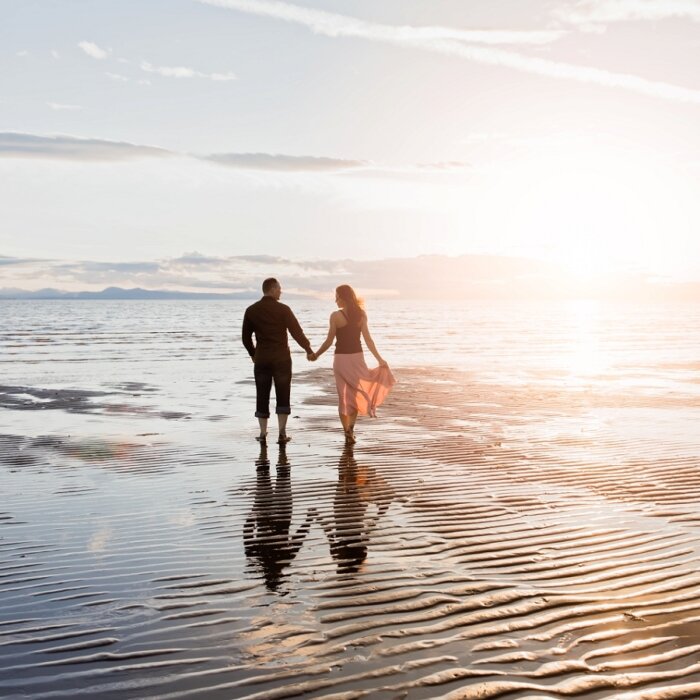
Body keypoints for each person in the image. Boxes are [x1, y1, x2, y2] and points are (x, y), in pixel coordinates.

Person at [311, 285, 395, 444]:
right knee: (355, 394)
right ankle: (351, 429)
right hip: (357, 359)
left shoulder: (335, 316)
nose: (335, 300)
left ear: (343, 297)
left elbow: (329, 341)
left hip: (341, 360)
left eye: (337, 296)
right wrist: (379, 359)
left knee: (343, 397)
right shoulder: (361, 315)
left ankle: (346, 431)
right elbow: (368, 340)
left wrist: (316, 355)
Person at [242, 278, 314, 444]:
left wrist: (253, 354)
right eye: (279, 288)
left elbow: (245, 338)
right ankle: (282, 433)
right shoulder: (283, 309)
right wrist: (308, 349)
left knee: (262, 394)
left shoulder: (251, 310)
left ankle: (262, 433)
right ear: (273, 289)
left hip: (262, 359)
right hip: (281, 359)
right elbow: (297, 332)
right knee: (283, 394)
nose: (281, 291)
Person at [243, 443, 316, 591]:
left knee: (279, 475)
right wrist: (252, 514)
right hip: (265, 512)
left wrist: (309, 519)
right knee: (264, 474)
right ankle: (269, 445)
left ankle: (273, 446)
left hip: (280, 513)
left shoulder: (284, 558)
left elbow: (298, 538)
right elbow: (247, 532)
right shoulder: (255, 555)